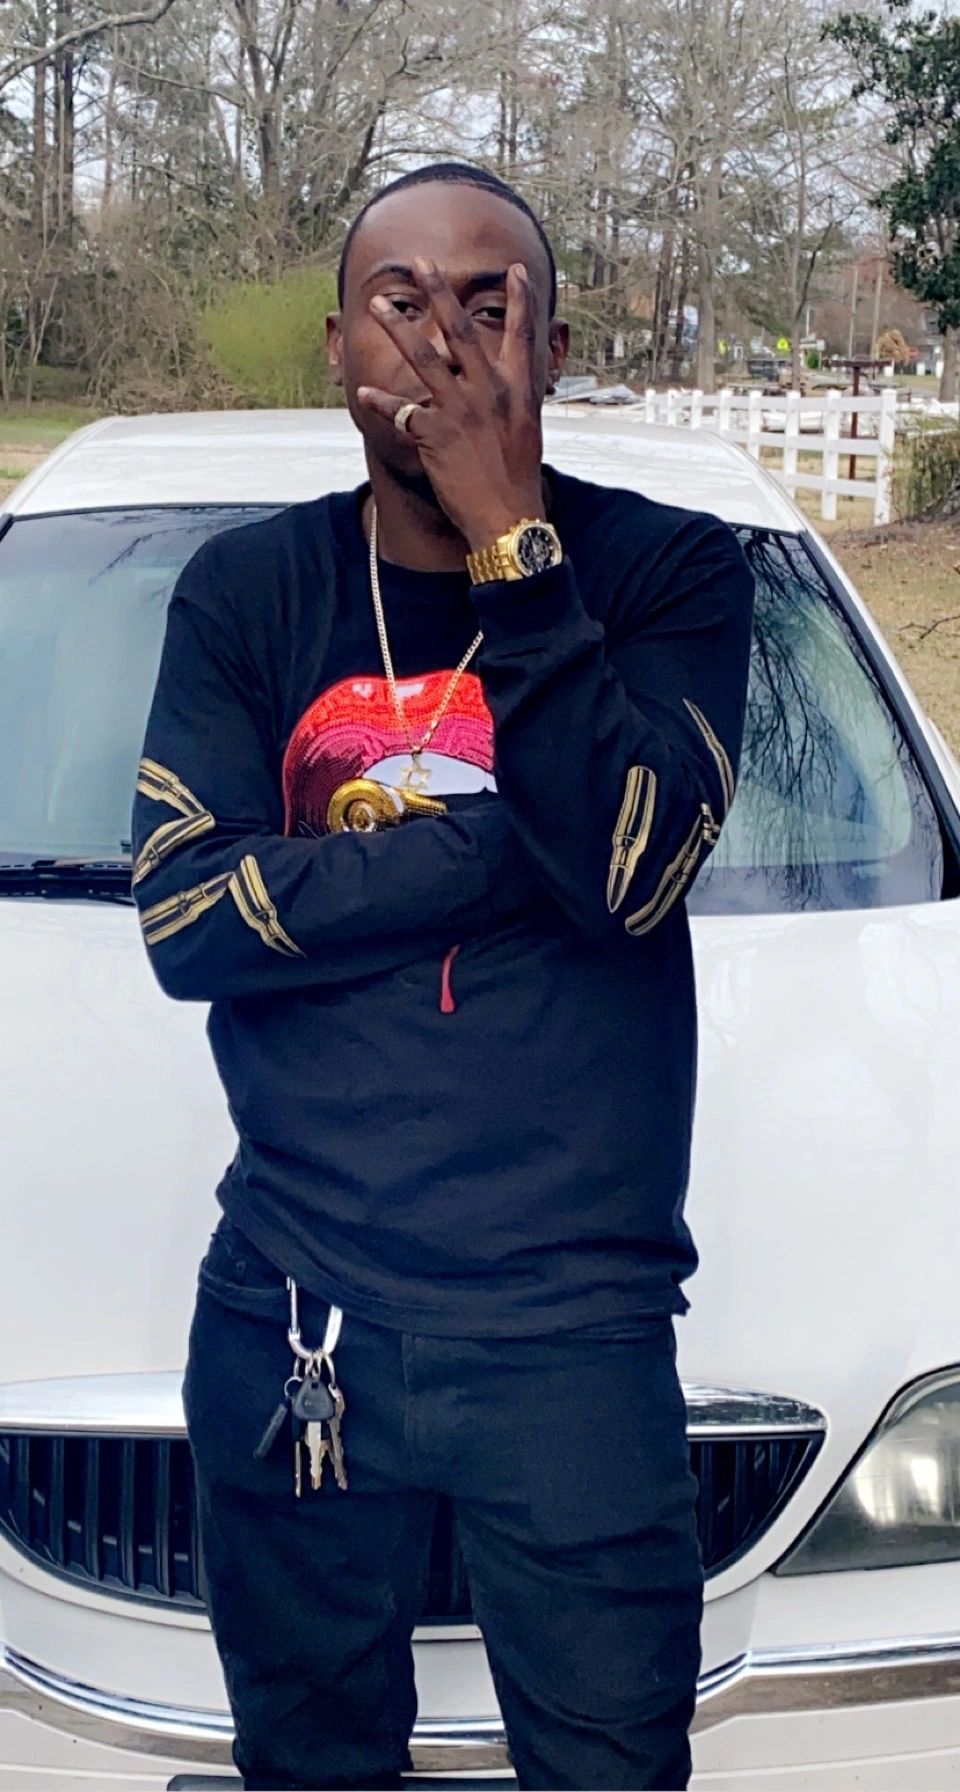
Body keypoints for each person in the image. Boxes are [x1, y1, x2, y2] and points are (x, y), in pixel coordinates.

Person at [132, 161, 755, 1792]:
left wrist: (510, 540)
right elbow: (186, 920)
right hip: (297, 1314)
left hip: (574, 1340)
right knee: (309, 1766)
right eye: (400, 301)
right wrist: (498, 847)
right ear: (340, 344)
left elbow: (629, 874)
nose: (443, 343)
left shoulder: (672, 573)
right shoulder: (248, 594)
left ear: (552, 354)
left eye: (491, 306)